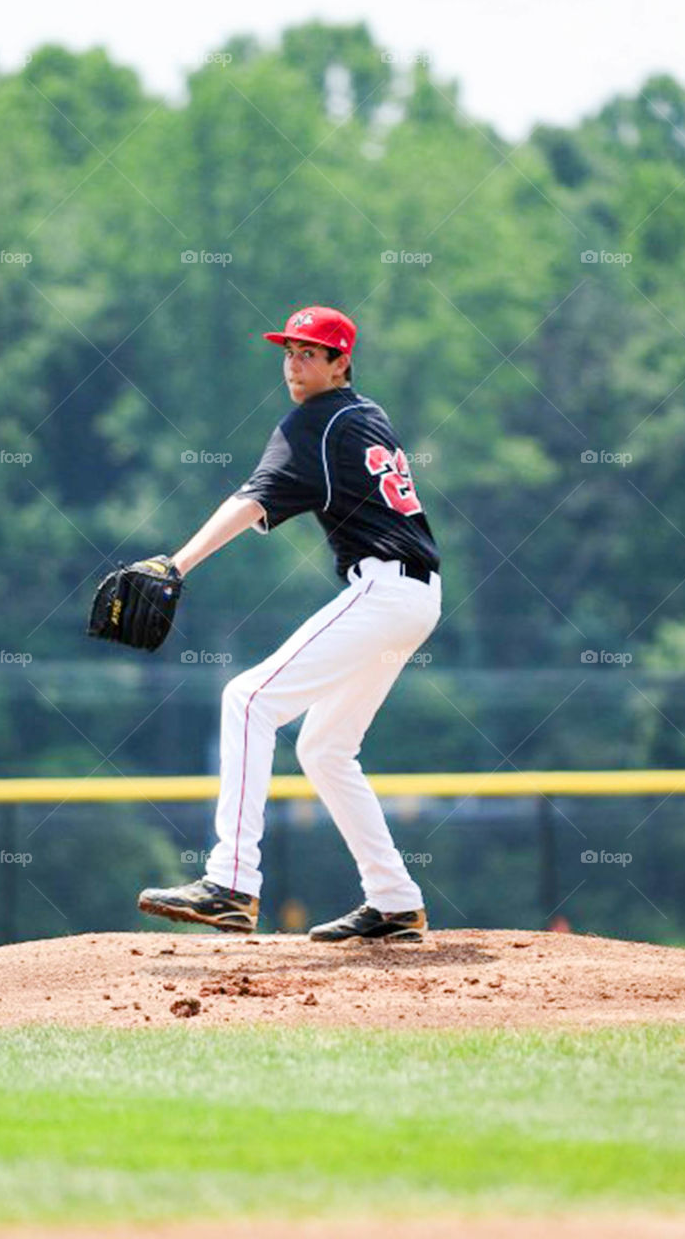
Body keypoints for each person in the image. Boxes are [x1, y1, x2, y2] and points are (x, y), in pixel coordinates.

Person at [138, 306, 441, 942]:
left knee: (247, 699)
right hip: (413, 596)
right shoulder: (365, 415)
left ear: (341, 363)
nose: (296, 363)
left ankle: (231, 883)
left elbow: (252, 501)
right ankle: (393, 900)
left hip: (386, 591)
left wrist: (178, 562)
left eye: (312, 352)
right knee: (324, 749)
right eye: (290, 351)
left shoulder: (315, 423)